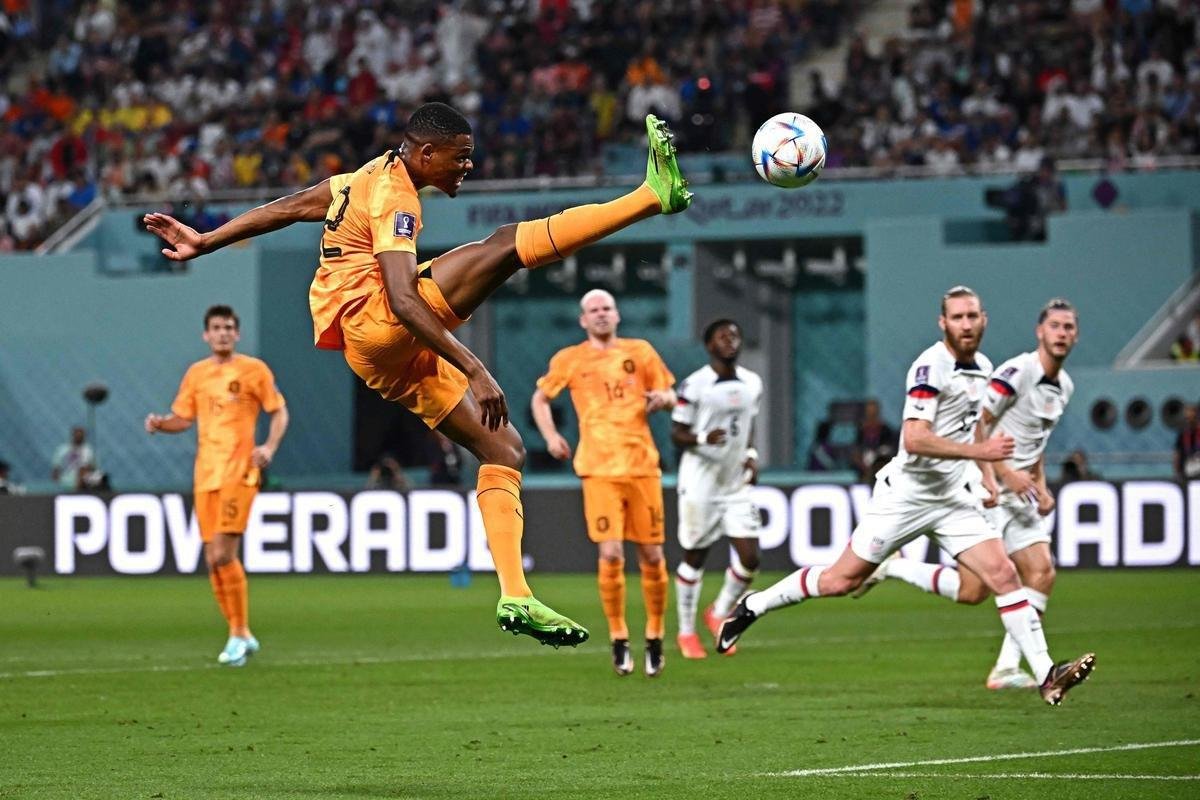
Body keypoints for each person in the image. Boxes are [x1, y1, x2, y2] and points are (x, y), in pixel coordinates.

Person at [142, 104, 693, 648]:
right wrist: (476, 370)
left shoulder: (359, 179)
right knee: (504, 246)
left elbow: (291, 205)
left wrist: (206, 240)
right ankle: (649, 197)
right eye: (461, 158)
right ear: (426, 153)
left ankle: (515, 593)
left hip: (381, 360)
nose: (467, 167)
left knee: (505, 452)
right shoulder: (395, 196)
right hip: (376, 321)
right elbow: (405, 300)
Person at [716, 286, 1096, 706]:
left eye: (972, 317)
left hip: (952, 498)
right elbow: (914, 439)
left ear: (984, 320)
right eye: (957, 318)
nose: (966, 325)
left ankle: (1046, 674)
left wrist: (986, 474)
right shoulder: (931, 366)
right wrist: (980, 454)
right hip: (906, 497)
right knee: (841, 580)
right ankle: (753, 605)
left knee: (1003, 576)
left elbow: (975, 426)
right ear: (943, 323)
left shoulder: (984, 366)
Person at [857, 299, 1081, 692]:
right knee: (972, 590)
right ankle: (893, 568)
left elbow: (1037, 440)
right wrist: (1000, 474)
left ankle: (1008, 668)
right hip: (990, 485)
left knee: (1042, 572)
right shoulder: (1015, 372)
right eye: (1056, 326)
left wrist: (1040, 483)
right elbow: (979, 421)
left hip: (1021, 492)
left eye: (1069, 327)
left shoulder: (1064, 386)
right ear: (1039, 332)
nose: (1062, 333)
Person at [531, 289, 677, 676]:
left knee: (653, 556)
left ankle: (656, 635)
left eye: (607, 308)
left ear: (617, 315)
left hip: (642, 466)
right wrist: (549, 436)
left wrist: (663, 399)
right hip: (598, 468)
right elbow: (540, 399)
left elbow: (668, 391)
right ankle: (618, 638)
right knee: (611, 554)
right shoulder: (570, 359)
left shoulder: (640, 352)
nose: (600, 314)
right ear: (583, 320)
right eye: (593, 310)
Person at [144, 305, 290, 667]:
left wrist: (268, 447)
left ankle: (239, 633)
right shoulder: (197, 374)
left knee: (224, 553)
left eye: (228, 327)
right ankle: (240, 633)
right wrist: (162, 424)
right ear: (205, 335)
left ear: (236, 334)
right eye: (216, 328)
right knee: (212, 560)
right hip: (205, 473)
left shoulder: (254, 370)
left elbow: (279, 410)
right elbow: (183, 418)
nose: (223, 333)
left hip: (239, 472)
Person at [670, 319, 763, 660]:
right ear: (709, 345)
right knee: (695, 557)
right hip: (701, 483)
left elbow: (748, 427)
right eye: (723, 336)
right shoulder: (695, 385)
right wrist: (700, 438)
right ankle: (686, 632)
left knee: (751, 558)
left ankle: (719, 611)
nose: (731, 341)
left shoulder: (753, 383)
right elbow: (676, 433)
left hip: (734, 483)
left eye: (735, 335)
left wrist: (751, 455)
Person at [852, 399, 898, 482]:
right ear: (866, 413)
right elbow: (856, 451)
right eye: (869, 412)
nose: (871, 415)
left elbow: (889, 451)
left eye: (874, 412)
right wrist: (864, 466)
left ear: (878, 412)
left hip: (881, 465)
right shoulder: (861, 430)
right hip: (864, 467)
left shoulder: (886, 430)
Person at [50, 426, 94, 490]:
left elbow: (89, 468)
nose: (79, 437)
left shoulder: (87, 450)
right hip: (64, 481)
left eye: (81, 436)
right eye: (77, 435)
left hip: (81, 483)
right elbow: (56, 469)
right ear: (73, 435)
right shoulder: (62, 449)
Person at [1175, 404, 1200, 482]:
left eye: (1192, 418)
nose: (1189, 421)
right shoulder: (1183, 434)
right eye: (1187, 418)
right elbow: (1177, 454)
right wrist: (1177, 472)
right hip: (1186, 473)